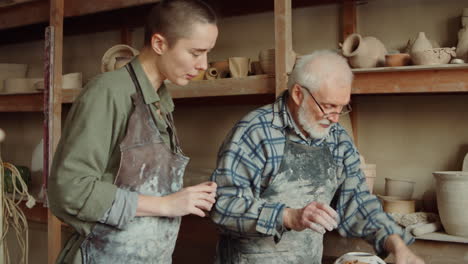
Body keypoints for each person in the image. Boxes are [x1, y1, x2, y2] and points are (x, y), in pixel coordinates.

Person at [210, 50, 425, 264]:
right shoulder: (255, 132)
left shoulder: (338, 139)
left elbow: (358, 203)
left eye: (342, 108)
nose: (334, 119)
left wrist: (396, 244)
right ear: (298, 94)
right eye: (329, 106)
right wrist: (288, 217)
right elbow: (224, 206)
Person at [48, 0, 218, 263]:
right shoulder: (109, 93)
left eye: (208, 53)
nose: (204, 64)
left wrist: (186, 195)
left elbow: (131, 180)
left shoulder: (159, 99)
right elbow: (70, 190)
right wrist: (166, 205)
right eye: (196, 53)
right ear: (160, 44)